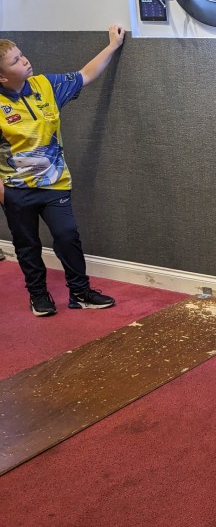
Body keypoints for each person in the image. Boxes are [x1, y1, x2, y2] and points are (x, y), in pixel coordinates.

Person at [0, 25, 125, 317]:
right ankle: (38, 296)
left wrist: (112, 45)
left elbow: (86, 74)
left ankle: (80, 293)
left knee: (67, 235)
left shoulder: (46, 86)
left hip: (55, 184)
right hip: (17, 191)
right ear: (2, 77)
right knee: (27, 244)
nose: (25, 60)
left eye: (22, 55)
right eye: (16, 61)